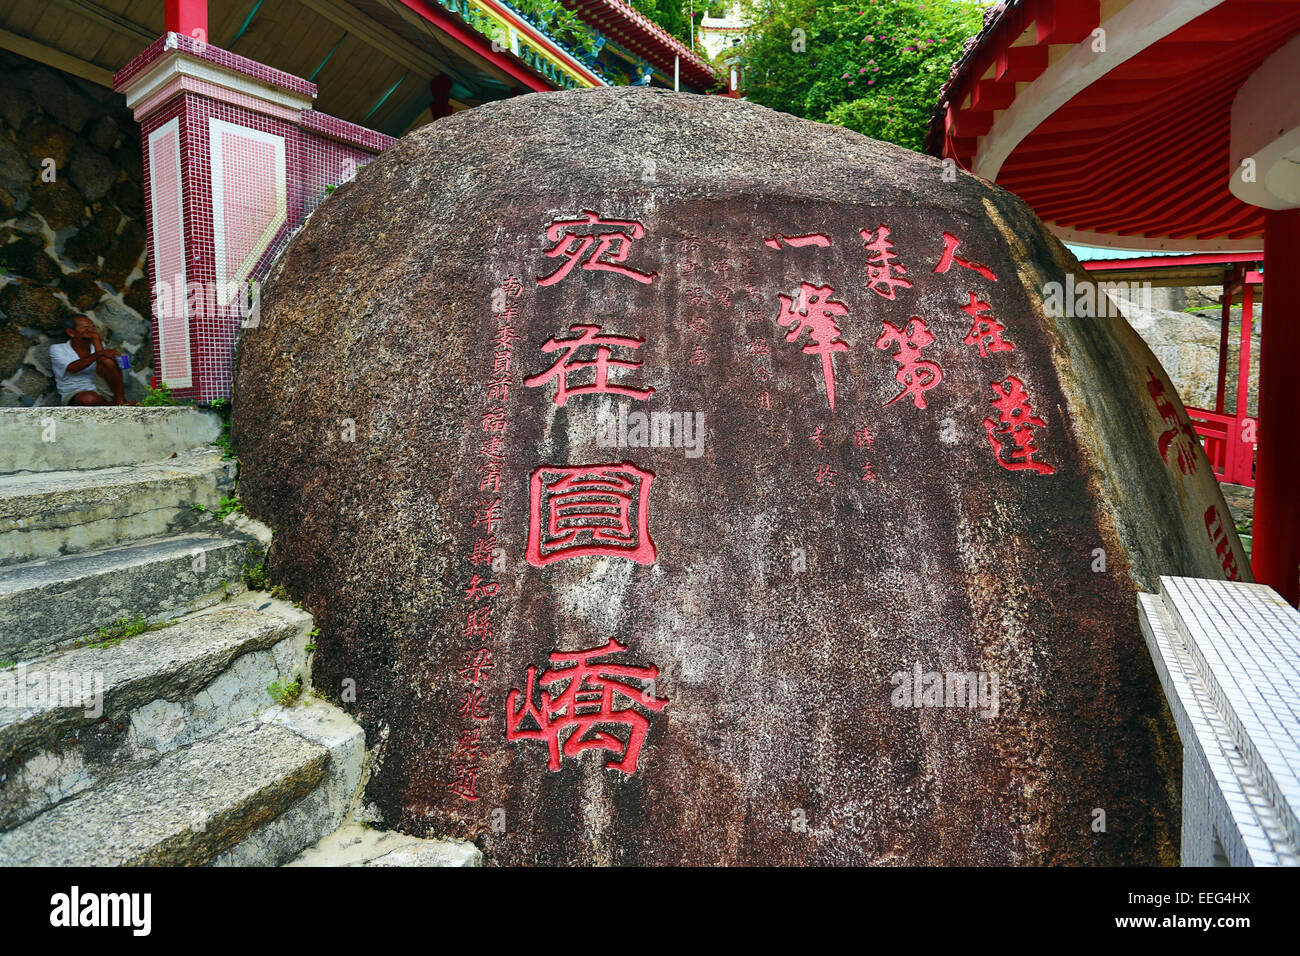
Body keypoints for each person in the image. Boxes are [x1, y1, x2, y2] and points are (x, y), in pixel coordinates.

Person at [49, 315, 128, 406]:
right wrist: (99, 353)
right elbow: (72, 368)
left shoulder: (96, 346)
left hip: (100, 390)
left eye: (92, 327)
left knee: (107, 361)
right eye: (86, 328)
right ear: (71, 332)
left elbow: (103, 361)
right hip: (76, 393)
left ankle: (121, 401)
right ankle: (111, 405)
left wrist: (98, 343)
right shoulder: (57, 349)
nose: (92, 331)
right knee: (89, 399)